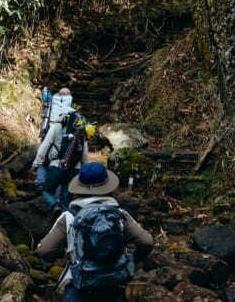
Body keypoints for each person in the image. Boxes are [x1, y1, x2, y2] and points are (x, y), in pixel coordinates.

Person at [35, 163, 154, 302]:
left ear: (80, 187)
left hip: (79, 286)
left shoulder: (68, 217)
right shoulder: (120, 215)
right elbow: (147, 242)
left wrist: (66, 254)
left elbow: (44, 251)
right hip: (113, 286)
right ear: (107, 186)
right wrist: (130, 261)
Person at [33, 87, 75, 195]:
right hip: (65, 152)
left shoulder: (50, 109)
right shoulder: (73, 113)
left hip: (49, 144)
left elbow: (43, 128)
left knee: (43, 163)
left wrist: (35, 163)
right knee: (60, 171)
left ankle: (40, 184)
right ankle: (56, 196)